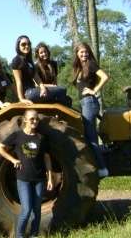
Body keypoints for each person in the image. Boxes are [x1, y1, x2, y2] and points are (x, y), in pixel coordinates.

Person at [0, 109, 54, 238]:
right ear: (25, 120)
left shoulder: (41, 138)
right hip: (23, 179)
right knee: (26, 210)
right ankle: (19, 235)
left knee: (37, 210)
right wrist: (12, 160)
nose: (35, 121)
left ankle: (34, 235)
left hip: (39, 179)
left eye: (37, 119)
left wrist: (49, 178)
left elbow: (47, 158)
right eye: (32, 118)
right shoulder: (17, 136)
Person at [72, 42, 110, 178]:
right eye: (81, 52)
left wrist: (94, 91)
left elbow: (105, 77)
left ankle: (102, 168)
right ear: (77, 53)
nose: (84, 54)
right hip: (84, 103)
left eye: (86, 52)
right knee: (88, 136)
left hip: (90, 102)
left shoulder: (91, 64)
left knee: (91, 138)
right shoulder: (79, 67)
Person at [33, 42, 71, 106]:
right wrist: (52, 86)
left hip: (53, 89)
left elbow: (55, 81)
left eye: (45, 51)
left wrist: (55, 87)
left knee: (67, 98)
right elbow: (36, 85)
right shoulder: (36, 66)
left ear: (48, 52)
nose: (44, 54)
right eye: (41, 53)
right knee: (63, 90)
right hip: (41, 90)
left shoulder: (54, 63)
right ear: (38, 54)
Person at [11, 35, 37, 105]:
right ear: (18, 46)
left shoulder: (29, 61)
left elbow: (36, 77)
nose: (27, 46)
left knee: (64, 96)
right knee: (61, 91)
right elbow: (18, 82)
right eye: (23, 44)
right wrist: (21, 99)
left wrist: (42, 87)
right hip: (27, 93)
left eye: (29, 44)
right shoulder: (16, 60)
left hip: (33, 89)